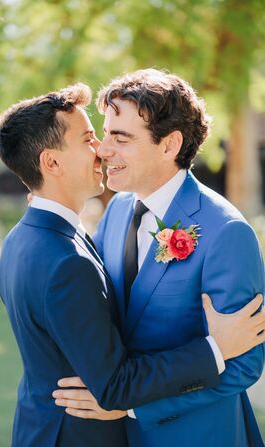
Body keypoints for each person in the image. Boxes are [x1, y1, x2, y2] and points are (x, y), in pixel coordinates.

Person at [54, 70, 265, 447]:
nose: (103, 150)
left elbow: (244, 366)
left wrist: (132, 407)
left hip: (199, 435)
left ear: (169, 145)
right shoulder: (117, 210)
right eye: (105, 135)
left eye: (121, 138)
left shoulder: (226, 231)